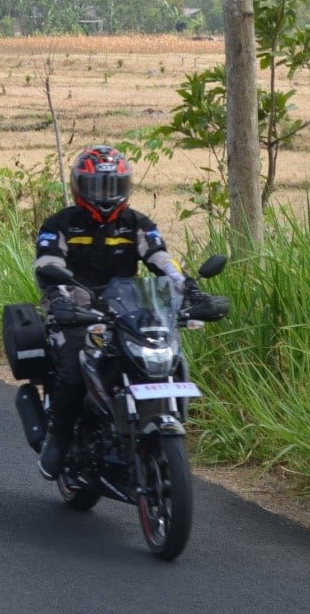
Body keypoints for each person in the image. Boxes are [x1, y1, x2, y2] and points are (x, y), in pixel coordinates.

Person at [32, 145, 206, 481]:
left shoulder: (137, 224)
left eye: (113, 186)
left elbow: (160, 259)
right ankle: (59, 437)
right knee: (72, 368)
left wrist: (186, 288)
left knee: (167, 357)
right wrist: (62, 298)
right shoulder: (60, 224)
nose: (106, 195)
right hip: (74, 310)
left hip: (127, 309)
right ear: (79, 187)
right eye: (98, 187)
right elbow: (47, 264)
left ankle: (152, 424)